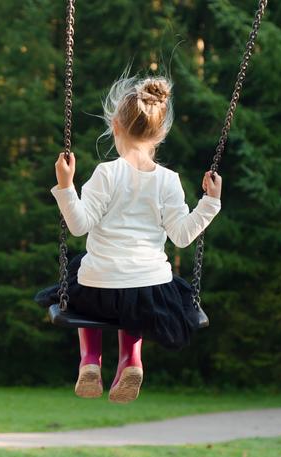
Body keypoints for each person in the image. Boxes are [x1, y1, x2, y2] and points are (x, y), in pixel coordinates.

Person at [35, 74, 222, 403]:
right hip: (149, 291)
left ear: (115, 126)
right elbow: (181, 236)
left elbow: (78, 225)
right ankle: (131, 361)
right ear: (160, 133)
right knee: (136, 295)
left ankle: (90, 360)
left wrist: (65, 186)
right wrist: (210, 203)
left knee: (82, 274)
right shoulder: (169, 180)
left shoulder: (106, 173)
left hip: (98, 289)